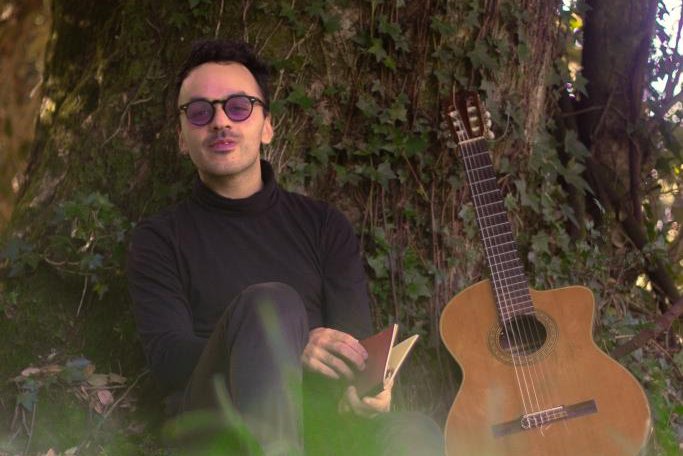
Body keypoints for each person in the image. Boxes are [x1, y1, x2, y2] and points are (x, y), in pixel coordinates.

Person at [127, 39, 443, 456]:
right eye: (200, 112)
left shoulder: (323, 225)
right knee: (269, 305)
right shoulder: (159, 238)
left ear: (267, 126)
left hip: (323, 427)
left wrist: (367, 394)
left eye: (238, 107)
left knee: (414, 430)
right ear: (182, 137)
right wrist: (286, 348)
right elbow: (168, 361)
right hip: (217, 428)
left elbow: (356, 348)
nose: (220, 122)